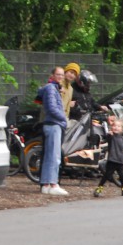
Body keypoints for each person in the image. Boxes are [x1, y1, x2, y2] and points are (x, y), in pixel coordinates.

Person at [36, 66, 68, 196]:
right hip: (54, 124)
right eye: (58, 74)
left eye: (62, 75)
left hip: (52, 124)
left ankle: (46, 185)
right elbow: (52, 109)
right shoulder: (50, 88)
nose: (60, 77)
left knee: (50, 155)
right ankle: (53, 184)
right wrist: (64, 119)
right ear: (53, 75)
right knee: (54, 156)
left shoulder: (53, 88)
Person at [94, 112, 123, 197]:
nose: (116, 128)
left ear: (122, 129)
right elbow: (108, 138)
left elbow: (122, 148)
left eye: (118, 126)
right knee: (107, 175)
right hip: (112, 160)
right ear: (112, 127)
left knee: (122, 176)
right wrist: (109, 134)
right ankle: (99, 188)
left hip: (120, 160)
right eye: (114, 126)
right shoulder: (112, 136)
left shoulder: (122, 139)